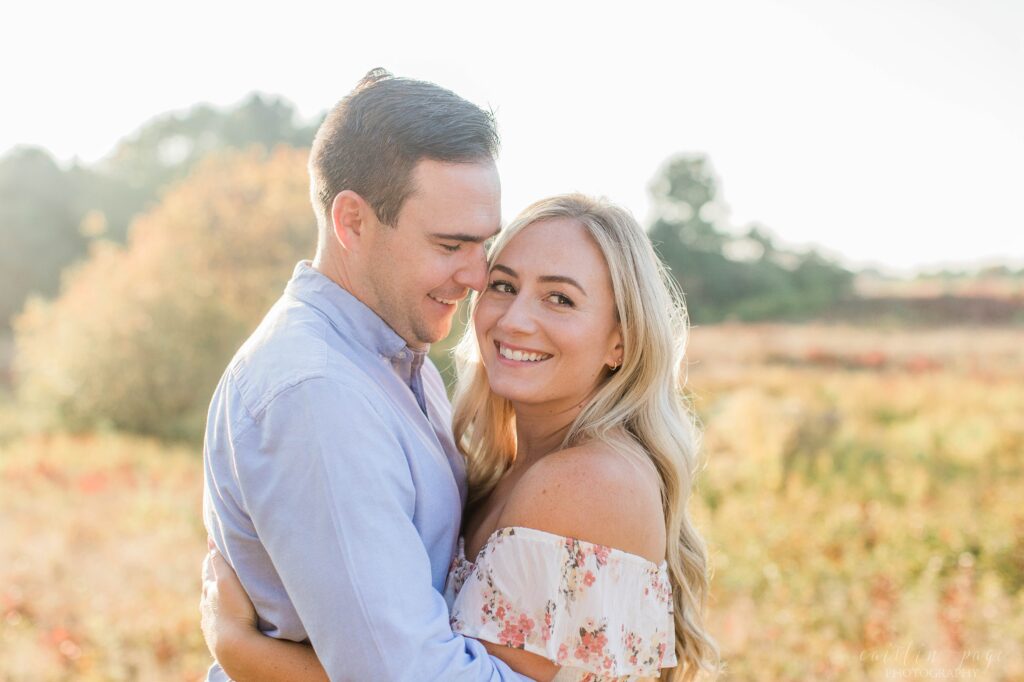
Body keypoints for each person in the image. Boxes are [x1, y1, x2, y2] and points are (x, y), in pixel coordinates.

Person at [202, 195, 722, 681]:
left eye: (559, 299)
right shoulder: (509, 462)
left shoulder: (588, 480)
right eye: (503, 285)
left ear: (620, 341)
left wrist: (242, 651)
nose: (515, 319)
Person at [201, 68, 533, 681]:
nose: (480, 276)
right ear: (352, 221)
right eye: (450, 244)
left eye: (484, 244)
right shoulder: (318, 394)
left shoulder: (399, 357)